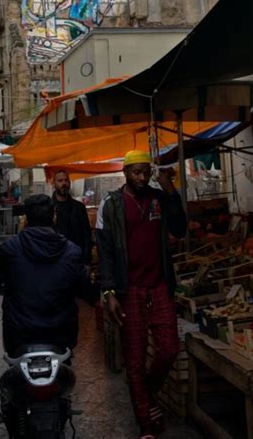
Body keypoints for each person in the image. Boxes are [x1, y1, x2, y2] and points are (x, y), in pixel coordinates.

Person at [95, 150, 187, 439]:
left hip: (159, 285)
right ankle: (145, 426)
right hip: (129, 289)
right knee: (134, 359)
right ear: (125, 172)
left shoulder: (158, 199)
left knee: (170, 349)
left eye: (146, 172)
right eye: (136, 172)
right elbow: (105, 252)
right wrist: (108, 291)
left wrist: (169, 188)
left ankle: (145, 394)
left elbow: (180, 228)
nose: (142, 177)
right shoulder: (110, 205)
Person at [0, 194, 93, 356]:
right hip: (60, 335)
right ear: (54, 216)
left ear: (26, 218)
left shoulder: (10, 250)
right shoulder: (72, 252)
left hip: (20, 335)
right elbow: (86, 289)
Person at [52, 170, 92, 266]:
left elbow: (86, 235)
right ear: (54, 184)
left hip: (76, 259)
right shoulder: (49, 208)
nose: (64, 183)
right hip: (55, 260)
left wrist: (87, 262)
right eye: (60, 180)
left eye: (66, 180)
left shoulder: (79, 208)